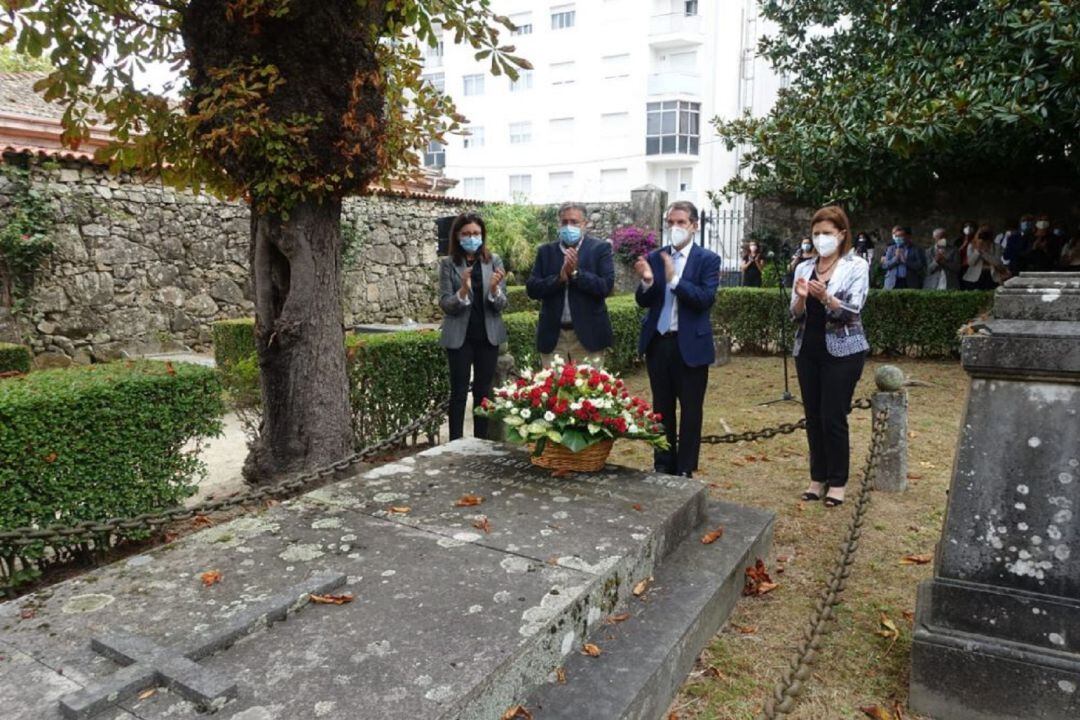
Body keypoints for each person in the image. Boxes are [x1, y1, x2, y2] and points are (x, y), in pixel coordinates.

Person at [633, 201, 721, 478]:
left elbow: (704, 299)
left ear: (694, 226)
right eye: (670, 222)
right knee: (661, 408)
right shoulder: (656, 256)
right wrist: (647, 281)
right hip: (659, 343)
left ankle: (685, 467)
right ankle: (662, 461)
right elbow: (644, 300)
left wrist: (674, 280)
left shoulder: (708, 260)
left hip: (691, 345)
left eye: (681, 222)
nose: (675, 228)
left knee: (691, 409)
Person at [790, 205, 870, 507]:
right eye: (816, 233)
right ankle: (817, 477)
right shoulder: (803, 267)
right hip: (807, 349)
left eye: (827, 233)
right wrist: (800, 297)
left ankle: (837, 482)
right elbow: (794, 315)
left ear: (841, 234)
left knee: (833, 416)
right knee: (812, 416)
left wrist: (826, 298)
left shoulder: (855, 265)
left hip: (843, 350)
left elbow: (853, 310)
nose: (821, 238)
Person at [438, 212, 508, 441]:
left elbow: (501, 304)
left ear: (482, 235)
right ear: (457, 236)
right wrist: (463, 291)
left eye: (476, 233)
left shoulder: (493, 261)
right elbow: (446, 304)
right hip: (460, 337)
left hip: (488, 336)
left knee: (483, 392)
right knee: (458, 393)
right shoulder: (448, 264)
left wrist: (495, 289)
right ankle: (455, 442)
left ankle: (481, 441)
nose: (472, 237)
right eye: (466, 233)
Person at [526, 202, 615, 366]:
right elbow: (532, 288)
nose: (569, 226)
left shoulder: (600, 249)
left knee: (588, 390)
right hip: (554, 336)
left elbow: (606, 286)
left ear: (585, 224)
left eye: (574, 222)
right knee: (551, 389)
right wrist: (559, 279)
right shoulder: (545, 252)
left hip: (588, 336)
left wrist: (575, 274)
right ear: (559, 224)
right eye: (564, 222)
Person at [960, 225, 1009, 290]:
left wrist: (983, 252)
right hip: (973, 278)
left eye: (986, 233)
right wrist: (978, 250)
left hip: (992, 277)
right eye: (982, 233)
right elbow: (970, 263)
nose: (984, 236)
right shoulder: (972, 245)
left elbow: (997, 262)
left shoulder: (997, 247)